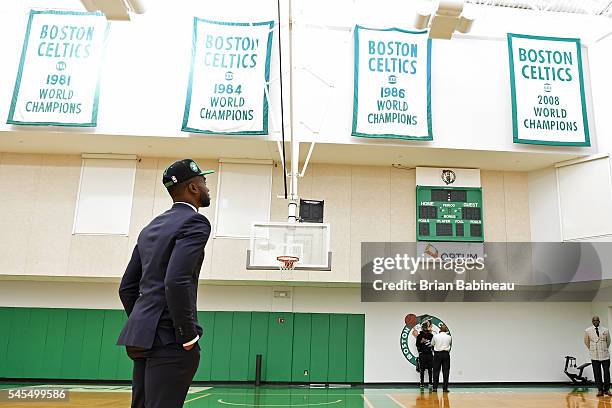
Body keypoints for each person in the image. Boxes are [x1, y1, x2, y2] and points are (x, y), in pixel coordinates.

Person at [117, 159, 213, 408]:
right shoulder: (195, 222)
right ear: (193, 188)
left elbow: (127, 287)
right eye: (204, 181)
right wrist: (187, 335)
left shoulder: (151, 227)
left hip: (141, 337)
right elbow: (176, 280)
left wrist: (143, 323)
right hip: (170, 337)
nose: (207, 186)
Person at [584, 316, 611, 397]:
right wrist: (592, 349)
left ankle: (607, 389)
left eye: (597, 320)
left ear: (599, 321)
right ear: (592, 321)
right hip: (594, 355)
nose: (596, 322)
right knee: (597, 373)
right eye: (594, 320)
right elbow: (586, 342)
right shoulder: (588, 330)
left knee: (606, 373)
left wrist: (603, 348)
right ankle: (600, 390)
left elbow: (608, 341)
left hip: (605, 355)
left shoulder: (605, 330)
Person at [432, 323, 452, 393]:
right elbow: (449, 344)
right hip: (446, 354)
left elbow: (432, 344)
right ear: (446, 330)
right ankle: (445, 388)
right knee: (446, 372)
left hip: (437, 354)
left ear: (440, 329)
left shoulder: (435, 336)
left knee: (436, 371)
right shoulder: (449, 337)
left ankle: (434, 388)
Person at [416, 320, 434, 389]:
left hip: (429, 354)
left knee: (430, 369)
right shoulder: (419, 336)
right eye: (425, 327)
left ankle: (430, 383)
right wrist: (421, 341)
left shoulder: (431, 335)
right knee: (422, 369)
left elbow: (433, 345)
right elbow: (417, 345)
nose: (426, 328)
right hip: (422, 354)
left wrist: (429, 344)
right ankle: (422, 383)